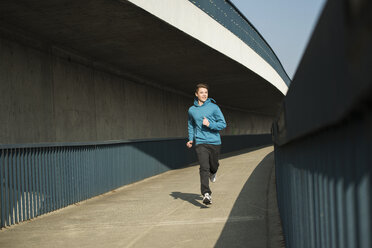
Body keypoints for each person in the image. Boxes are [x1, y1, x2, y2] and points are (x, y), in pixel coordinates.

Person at [186, 83, 226, 205]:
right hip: (200, 142)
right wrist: (191, 139)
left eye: (206, 92)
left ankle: (213, 172)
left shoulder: (214, 107)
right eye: (202, 92)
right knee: (204, 168)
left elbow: (223, 124)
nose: (204, 94)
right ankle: (206, 194)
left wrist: (210, 125)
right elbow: (191, 124)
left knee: (213, 166)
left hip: (214, 141)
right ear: (196, 94)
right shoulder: (191, 110)